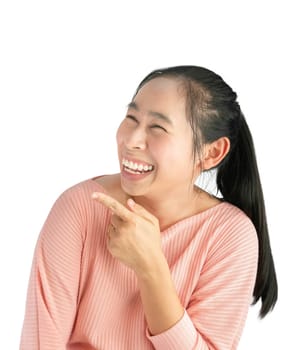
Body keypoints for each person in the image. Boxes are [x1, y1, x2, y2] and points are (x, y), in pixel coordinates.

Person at [19, 65, 277, 349]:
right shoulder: (79, 208)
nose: (131, 140)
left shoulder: (230, 235)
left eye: (157, 127)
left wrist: (150, 267)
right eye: (131, 118)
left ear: (211, 152)